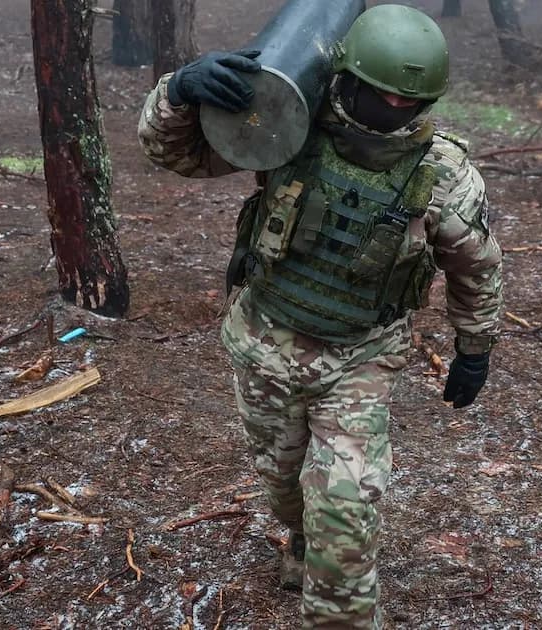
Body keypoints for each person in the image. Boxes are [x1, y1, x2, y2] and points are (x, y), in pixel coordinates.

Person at [137, 4, 503, 628]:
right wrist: (177, 92)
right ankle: (303, 539)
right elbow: (180, 156)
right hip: (263, 340)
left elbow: (476, 265)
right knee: (284, 487)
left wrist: (476, 347)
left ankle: (331, 577)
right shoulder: (290, 123)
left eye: (405, 102)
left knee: (343, 514)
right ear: (346, 77)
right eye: (378, 96)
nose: (391, 111)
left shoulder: (442, 175)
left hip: (359, 359)